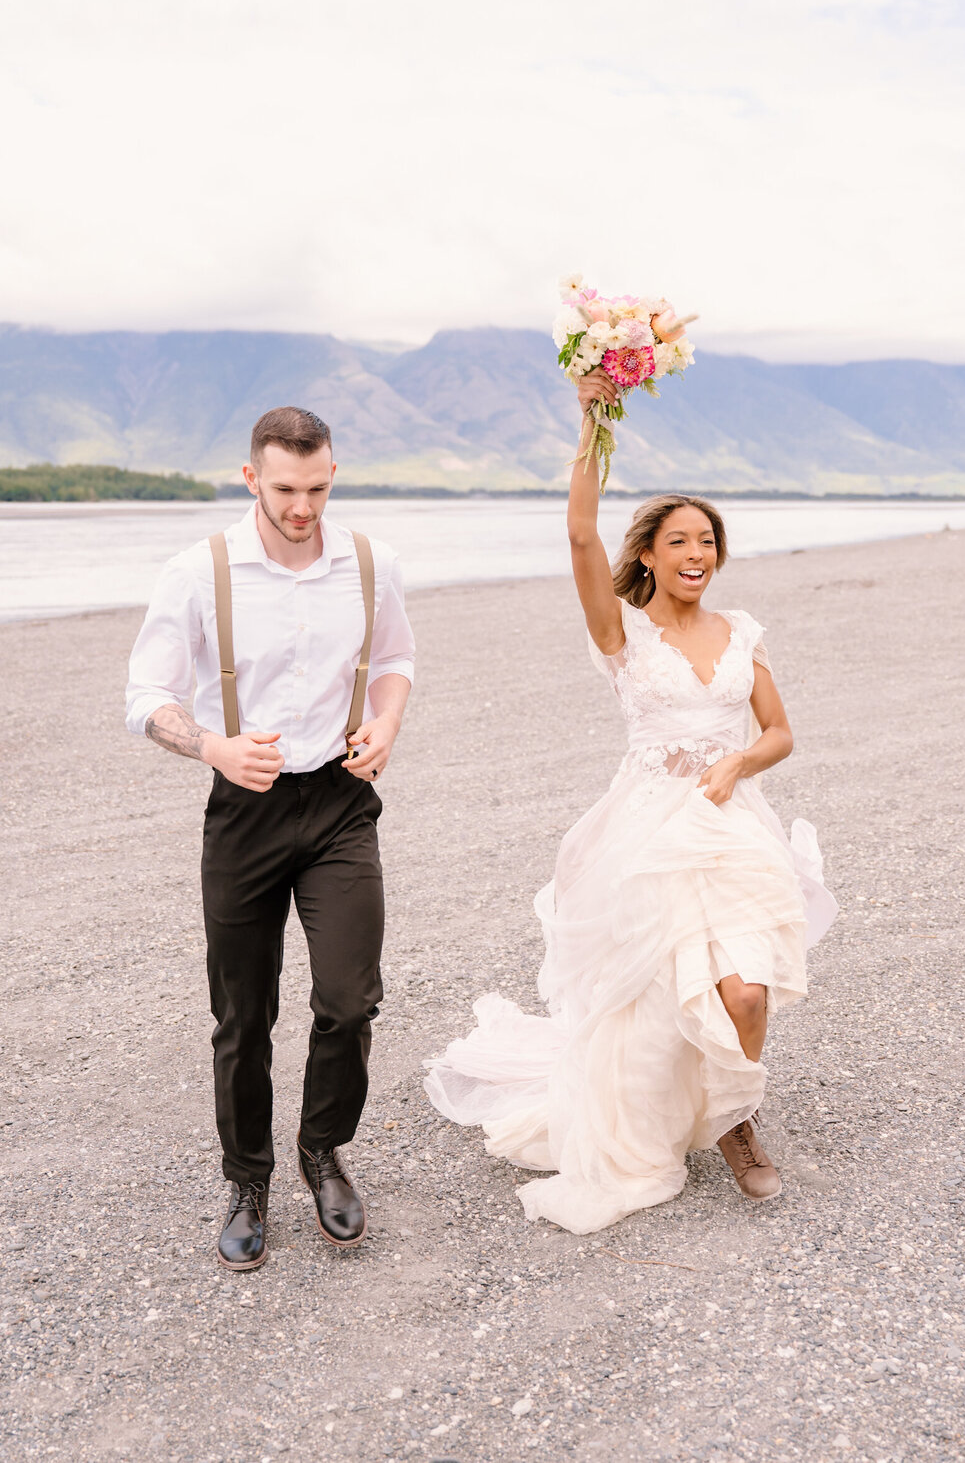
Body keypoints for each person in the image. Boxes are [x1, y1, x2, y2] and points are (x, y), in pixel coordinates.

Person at [424, 368, 837, 1233]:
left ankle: (734, 1116)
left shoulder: (741, 634)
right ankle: (695, 1119)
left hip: (730, 829)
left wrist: (734, 768)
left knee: (748, 994)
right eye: (680, 541)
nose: (697, 556)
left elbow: (779, 732)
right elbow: (580, 535)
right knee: (654, 1007)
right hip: (646, 829)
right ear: (649, 552)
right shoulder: (624, 635)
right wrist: (592, 424)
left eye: (708, 542)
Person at [125, 406, 415, 1268]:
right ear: (252, 477)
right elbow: (144, 695)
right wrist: (211, 744)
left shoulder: (370, 564)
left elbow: (395, 661)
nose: (304, 506)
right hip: (243, 809)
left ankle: (322, 1151)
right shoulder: (197, 571)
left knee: (350, 996)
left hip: (339, 802)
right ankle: (247, 1177)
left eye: (319, 487)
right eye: (286, 488)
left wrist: (387, 723)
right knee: (243, 1013)